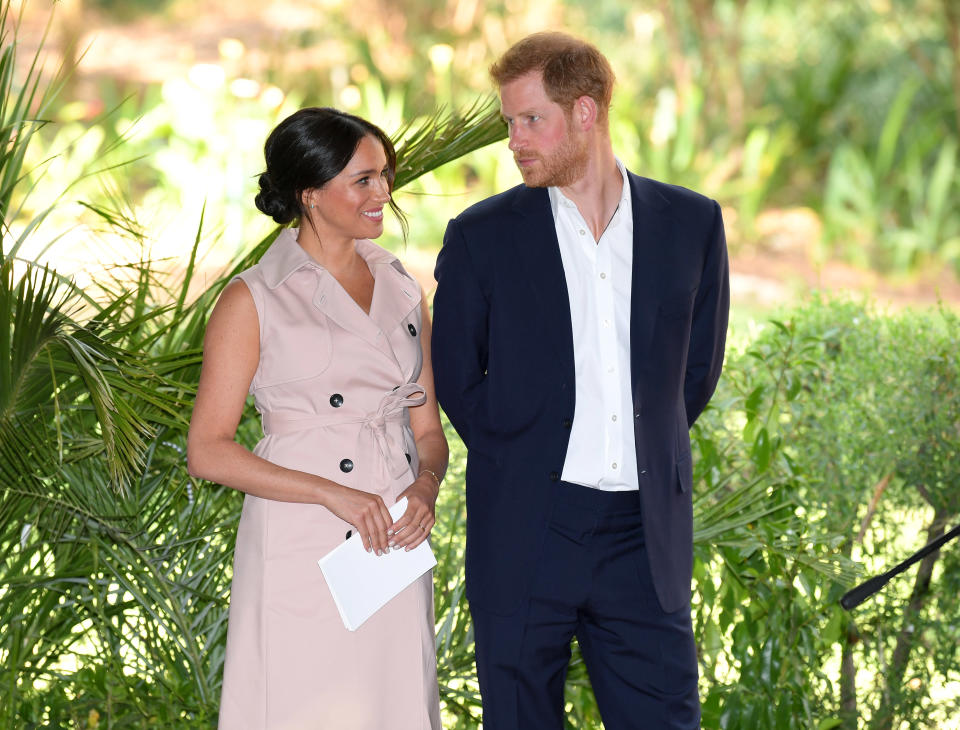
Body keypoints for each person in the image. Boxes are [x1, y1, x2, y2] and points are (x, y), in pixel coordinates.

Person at [431, 32, 729, 729]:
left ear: (587, 112)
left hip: (643, 536)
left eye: (531, 120)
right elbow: (456, 376)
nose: (515, 141)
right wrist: (521, 452)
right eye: (509, 123)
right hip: (530, 526)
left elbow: (695, 372)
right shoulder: (482, 235)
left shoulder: (691, 223)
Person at [187, 107, 447, 729]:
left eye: (384, 175)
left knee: (393, 707)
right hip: (301, 538)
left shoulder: (403, 285)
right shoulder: (252, 298)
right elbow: (208, 450)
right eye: (363, 179)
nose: (383, 193)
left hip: (391, 536)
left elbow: (429, 431)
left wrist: (425, 486)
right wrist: (333, 494)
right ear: (310, 193)